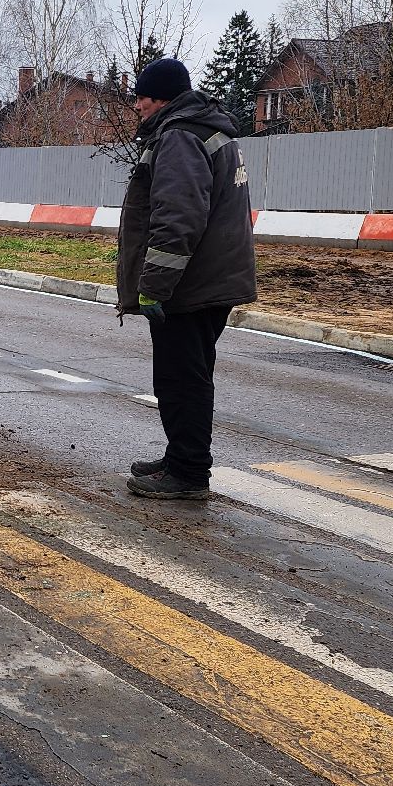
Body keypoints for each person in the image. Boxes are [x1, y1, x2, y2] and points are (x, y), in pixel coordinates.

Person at [117, 58, 257, 499]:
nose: (136, 105)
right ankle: (180, 457)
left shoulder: (178, 135)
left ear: (160, 97)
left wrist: (154, 287)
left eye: (141, 96)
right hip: (211, 279)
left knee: (181, 379)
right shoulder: (204, 130)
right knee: (188, 375)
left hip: (190, 285)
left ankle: (189, 472)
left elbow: (177, 219)